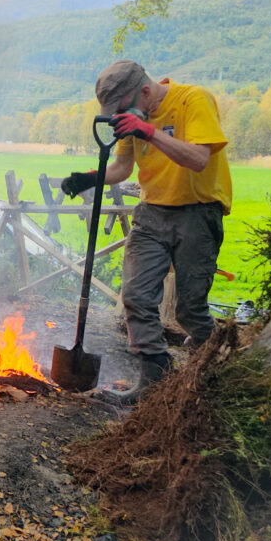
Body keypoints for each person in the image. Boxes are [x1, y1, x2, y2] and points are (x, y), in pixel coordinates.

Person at [61, 60, 232, 404]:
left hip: (198, 212)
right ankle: (154, 381)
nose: (118, 115)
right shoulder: (134, 120)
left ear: (143, 91)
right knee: (136, 296)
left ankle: (215, 369)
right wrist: (87, 177)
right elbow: (123, 168)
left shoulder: (193, 100)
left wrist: (148, 131)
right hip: (152, 213)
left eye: (122, 108)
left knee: (190, 309)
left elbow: (199, 159)